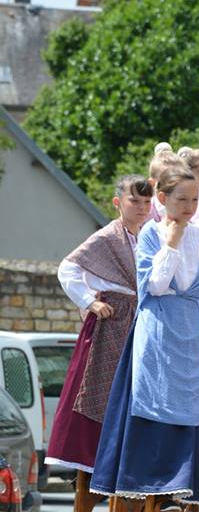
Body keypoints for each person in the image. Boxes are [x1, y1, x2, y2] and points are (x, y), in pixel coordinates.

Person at [90, 165, 199, 512]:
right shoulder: (150, 234)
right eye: (181, 199)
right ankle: (150, 481)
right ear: (163, 199)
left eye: (195, 199)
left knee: (188, 402)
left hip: (188, 329)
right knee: (155, 398)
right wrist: (172, 242)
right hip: (156, 327)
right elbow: (156, 285)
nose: (189, 206)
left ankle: (180, 484)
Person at [46, 174, 153, 475]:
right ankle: (89, 460)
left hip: (137, 321)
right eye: (135, 200)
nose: (142, 207)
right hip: (111, 321)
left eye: (147, 201)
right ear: (118, 202)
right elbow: (68, 267)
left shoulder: (146, 237)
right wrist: (89, 302)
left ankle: (123, 457)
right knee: (96, 388)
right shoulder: (107, 237)